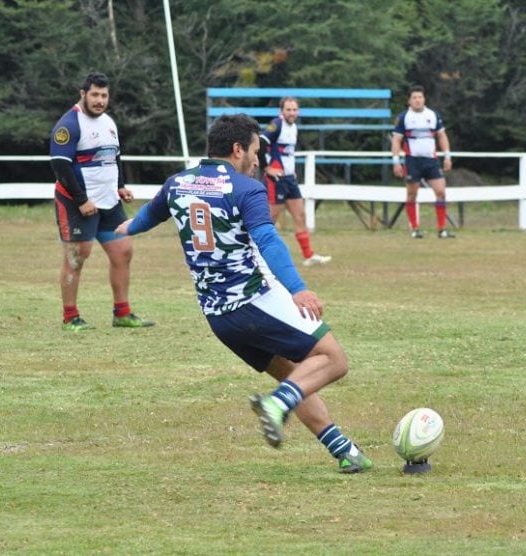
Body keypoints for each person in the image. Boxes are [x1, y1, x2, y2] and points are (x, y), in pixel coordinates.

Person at [115, 114, 372, 473]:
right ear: (237, 150)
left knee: (295, 375)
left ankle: (344, 451)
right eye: (254, 151)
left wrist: (124, 227)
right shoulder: (245, 188)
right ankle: (275, 406)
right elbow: (267, 238)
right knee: (333, 360)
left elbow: (147, 217)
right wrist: (298, 289)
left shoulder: (177, 184)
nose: (257, 160)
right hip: (253, 300)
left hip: (219, 318)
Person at [50, 72, 154, 331]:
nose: (99, 100)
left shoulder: (108, 122)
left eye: (104, 95)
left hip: (108, 202)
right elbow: (60, 166)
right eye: (94, 95)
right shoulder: (69, 124)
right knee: (77, 256)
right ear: (83, 94)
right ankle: (70, 317)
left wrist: (119, 186)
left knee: (123, 251)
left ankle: (122, 313)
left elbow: (114, 157)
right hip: (77, 203)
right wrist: (82, 199)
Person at [259, 97, 332, 266]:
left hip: (289, 179)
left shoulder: (294, 127)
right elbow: (261, 143)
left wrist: (291, 172)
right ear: (281, 111)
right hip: (276, 180)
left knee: (300, 216)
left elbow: (287, 153)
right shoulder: (276, 124)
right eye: (288, 110)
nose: (292, 113)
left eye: (294, 110)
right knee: (270, 219)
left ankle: (308, 256)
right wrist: (266, 168)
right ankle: (255, 256)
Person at [391, 84, 455, 239]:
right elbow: (396, 140)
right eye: (414, 98)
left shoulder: (433, 115)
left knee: (441, 192)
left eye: (420, 97)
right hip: (413, 161)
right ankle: (415, 229)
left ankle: (442, 230)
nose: (418, 100)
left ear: (424, 99)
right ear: (409, 101)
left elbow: (441, 136)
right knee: (412, 194)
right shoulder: (404, 117)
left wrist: (447, 156)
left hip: (431, 160)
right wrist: (396, 161)